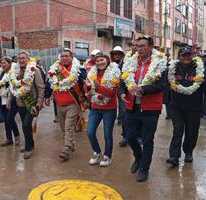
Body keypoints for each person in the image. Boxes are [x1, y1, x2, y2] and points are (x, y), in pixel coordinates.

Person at [120, 36, 167, 182]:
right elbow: (124, 79)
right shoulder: (130, 61)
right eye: (136, 46)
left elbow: (163, 85)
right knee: (130, 136)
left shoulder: (160, 63)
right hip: (132, 106)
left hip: (150, 108)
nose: (138, 49)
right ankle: (138, 158)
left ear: (151, 47)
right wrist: (122, 92)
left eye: (142, 46)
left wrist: (143, 90)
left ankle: (144, 169)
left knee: (147, 140)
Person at [166, 48, 206, 166]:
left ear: (192, 56)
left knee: (191, 132)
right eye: (183, 55)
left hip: (194, 107)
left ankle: (188, 152)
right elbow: (168, 85)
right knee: (177, 131)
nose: (186, 58)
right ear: (179, 57)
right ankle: (174, 156)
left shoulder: (199, 68)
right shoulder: (173, 68)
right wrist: (168, 102)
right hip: (177, 106)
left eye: (188, 55)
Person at [47, 48, 86, 161]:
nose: (64, 58)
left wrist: (85, 98)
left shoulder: (78, 69)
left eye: (66, 56)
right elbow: (50, 83)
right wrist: (47, 96)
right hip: (59, 103)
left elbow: (85, 83)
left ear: (72, 57)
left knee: (69, 127)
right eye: (62, 56)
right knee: (63, 128)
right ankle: (71, 143)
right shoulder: (54, 69)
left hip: (72, 103)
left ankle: (66, 149)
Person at [84, 52, 121, 167]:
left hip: (109, 108)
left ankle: (107, 156)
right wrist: (89, 86)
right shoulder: (92, 72)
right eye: (97, 61)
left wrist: (98, 86)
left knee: (107, 134)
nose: (100, 62)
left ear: (107, 60)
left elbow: (111, 92)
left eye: (102, 60)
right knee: (90, 132)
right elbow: (86, 88)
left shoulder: (114, 71)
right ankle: (97, 151)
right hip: (95, 107)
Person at [7, 51, 45, 159]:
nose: (21, 60)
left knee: (26, 125)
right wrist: (10, 99)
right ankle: (30, 144)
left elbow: (41, 88)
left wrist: (39, 103)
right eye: (20, 59)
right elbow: (12, 87)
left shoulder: (34, 70)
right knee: (25, 126)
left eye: (24, 58)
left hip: (32, 104)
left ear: (28, 59)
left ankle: (28, 148)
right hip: (20, 103)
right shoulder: (14, 72)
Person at [0, 57, 20, 146]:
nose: (3, 65)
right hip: (2, 99)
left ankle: (17, 136)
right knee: (6, 120)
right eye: (2, 63)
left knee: (9, 119)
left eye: (5, 63)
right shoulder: (1, 73)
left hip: (12, 99)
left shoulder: (14, 73)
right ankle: (9, 139)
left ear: (10, 63)